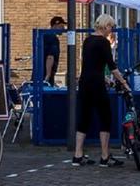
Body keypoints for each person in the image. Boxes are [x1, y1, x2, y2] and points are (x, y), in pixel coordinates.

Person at [74, 14, 128, 167]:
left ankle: (78, 154)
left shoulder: (87, 40)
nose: (111, 30)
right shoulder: (103, 42)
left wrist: (107, 79)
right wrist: (123, 82)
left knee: (84, 117)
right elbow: (112, 66)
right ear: (105, 26)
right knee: (105, 117)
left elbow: (91, 66)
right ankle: (105, 156)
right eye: (111, 27)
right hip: (97, 85)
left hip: (85, 82)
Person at [37, 16, 66, 86]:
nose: (63, 29)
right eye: (61, 26)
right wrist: (48, 75)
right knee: (46, 93)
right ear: (55, 25)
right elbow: (50, 57)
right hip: (45, 73)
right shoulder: (53, 38)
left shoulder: (44, 36)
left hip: (38, 71)